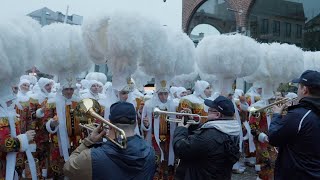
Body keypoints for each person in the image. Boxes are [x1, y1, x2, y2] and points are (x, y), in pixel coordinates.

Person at [64, 101, 156, 180]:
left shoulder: (90, 157)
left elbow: (68, 168)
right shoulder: (151, 151)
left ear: (109, 123)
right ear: (136, 124)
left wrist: (88, 141)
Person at [173, 96, 240, 180]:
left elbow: (180, 149)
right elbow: (205, 141)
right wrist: (192, 122)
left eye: (209, 110)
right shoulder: (231, 131)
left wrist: (181, 129)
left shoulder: (209, 137)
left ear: (217, 115)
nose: (207, 113)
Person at [269, 70, 320, 179]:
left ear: (304, 89)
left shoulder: (299, 115)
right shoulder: (304, 113)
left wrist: (277, 115)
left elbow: (273, 138)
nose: (298, 91)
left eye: (299, 87)